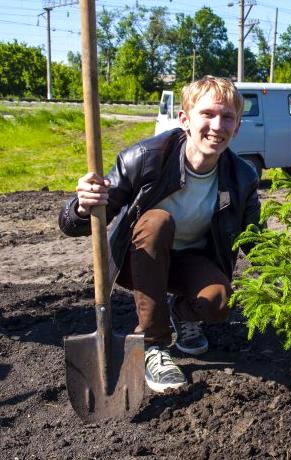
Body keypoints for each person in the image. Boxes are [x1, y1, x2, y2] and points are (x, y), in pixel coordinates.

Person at [58, 76, 261, 393]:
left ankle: (179, 314)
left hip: (189, 262)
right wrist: (82, 206)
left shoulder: (243, 177)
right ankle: (153, 344)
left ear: (237, 127)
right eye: (207, 114)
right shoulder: (145, 158)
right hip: (136, 259)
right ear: (185, 119)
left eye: (228, 117)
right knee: (157, 222)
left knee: (219, 302)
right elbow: (77, 223)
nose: (217, 125)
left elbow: (253, 240)